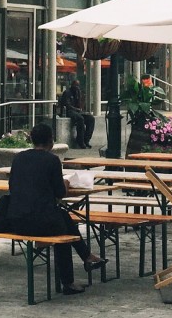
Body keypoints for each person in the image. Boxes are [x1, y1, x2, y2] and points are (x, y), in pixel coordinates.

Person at [6, 123, 105, 295]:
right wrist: (66, 182)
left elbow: (12, 187)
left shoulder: (19, 158)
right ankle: (69, 281)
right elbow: (60, 193)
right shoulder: (51, 160)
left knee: (63, 217)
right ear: (51, 142)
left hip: (15, 219)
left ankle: (87, 257)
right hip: (38, 222)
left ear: (32, 140)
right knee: (62, 230)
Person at [58, 79, 95, 149]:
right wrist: (77, 109)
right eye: (76, 85)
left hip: (77, 111)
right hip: (69, 111)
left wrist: (80, 97)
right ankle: (80, 141)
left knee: (91, 118)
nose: (77, 87)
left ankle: (86, 140)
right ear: (72, 85)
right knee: (80, 119)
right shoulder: (67, 93)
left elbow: (80, 105)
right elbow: (67, 105)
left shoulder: (78, 93)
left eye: (78, 85)